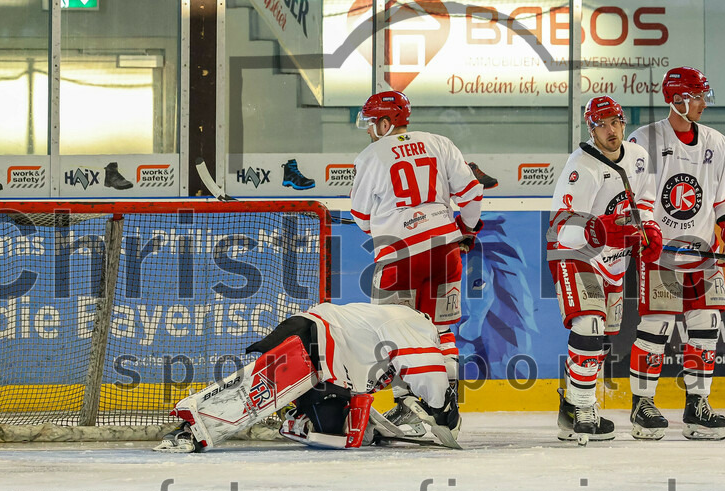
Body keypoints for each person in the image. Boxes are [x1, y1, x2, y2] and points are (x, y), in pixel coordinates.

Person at [350, 90, 484, 436]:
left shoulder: (371, 156)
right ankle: (448, 409)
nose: (369, 130)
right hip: (445, 249)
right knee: (442, 330)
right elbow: (472, 194)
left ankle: (407, 404)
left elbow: (361, 219)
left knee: (395, 332)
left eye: (371, 123)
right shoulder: (440, 143)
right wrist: (467, 230)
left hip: (399, 254)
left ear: (385, 123)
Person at [153, 302, 460, 452]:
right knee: (252, 394)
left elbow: (417, 375)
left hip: (326, 366)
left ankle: (299, 414)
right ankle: (187, 431)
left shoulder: (401, 342)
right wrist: (442, 407)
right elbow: (427, 370)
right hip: (313, 339)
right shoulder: (414, 324)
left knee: (334, 433)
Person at [625, 67, 725, 441]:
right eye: (696, 97)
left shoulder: (717, 142)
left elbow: (723, 193)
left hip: (704, 251)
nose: (702, 104)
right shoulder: (644, 139)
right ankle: (642, 404)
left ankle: (698, 404)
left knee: (707, 326)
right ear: (676, 99)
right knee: (657, 326)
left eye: (702, 96)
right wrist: (647, 228)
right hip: (660, 252)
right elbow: (634, 194)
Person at [547, 95, 663, 442]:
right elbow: (564, 225)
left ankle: (570, 409)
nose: (611, 131)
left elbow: (644, 200)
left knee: (599, 338)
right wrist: (607, 228)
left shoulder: (638, 156)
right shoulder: (581, 166)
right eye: (602, 125)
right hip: (576, 254)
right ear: (591, 129)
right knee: (589, 325)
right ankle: (584, 408)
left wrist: (649, 229)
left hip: (613, 259)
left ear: (623, 123)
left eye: (615, 123)